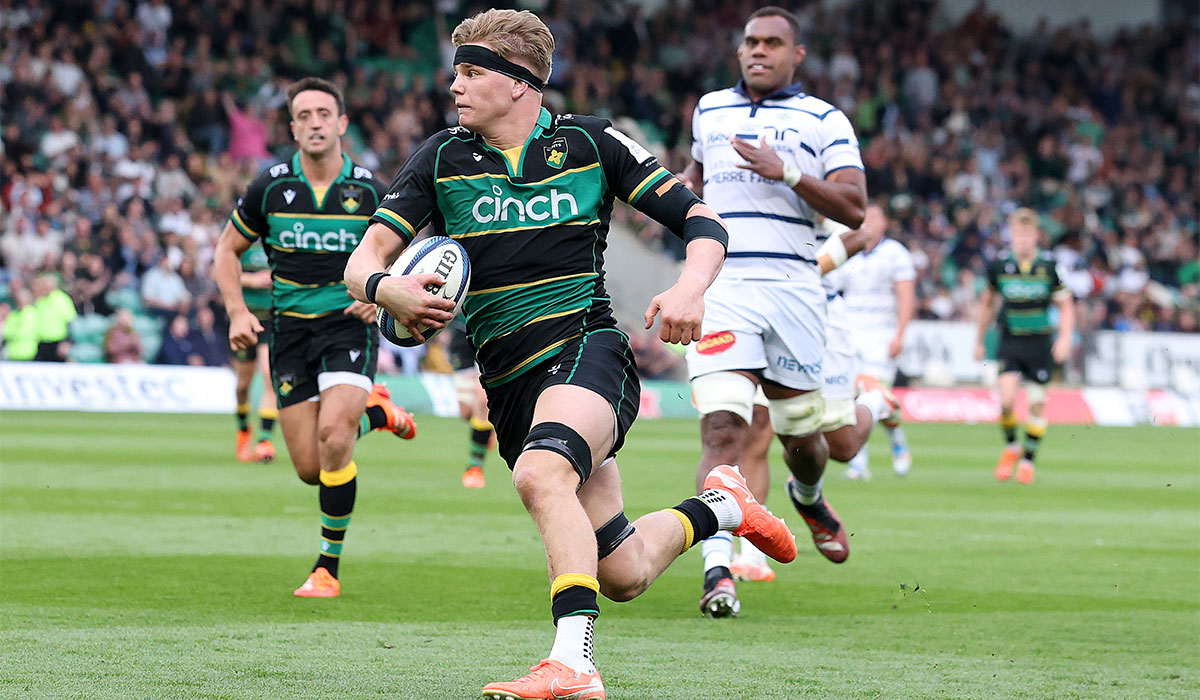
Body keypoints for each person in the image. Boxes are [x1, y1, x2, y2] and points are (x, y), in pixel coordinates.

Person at [345, 10, 795, 697]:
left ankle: (574, 664)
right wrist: (387, 289)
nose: (455, 86)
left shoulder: (589, 142)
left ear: (522, 84)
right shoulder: (442, 156)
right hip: (508, 380)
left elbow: (701, 219)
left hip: (587, 350)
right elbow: (363, 260)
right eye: (457, 72)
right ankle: (722, 507)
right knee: (626, 572)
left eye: (472, 73)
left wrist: (690, 288)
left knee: (540, 474)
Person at [680, 6, 866, 617]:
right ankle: (718, 569)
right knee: (725, 431)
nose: (758, 51)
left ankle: (807, 496)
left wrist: (787, 172)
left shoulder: (823, 119)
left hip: (794, 288)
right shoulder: (710, 109)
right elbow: (695, 181)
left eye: (772, 43)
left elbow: (855, 207)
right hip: (726, 284)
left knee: (802, 440)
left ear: (797, 55)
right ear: (739, 51)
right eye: (750, 42)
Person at [212, 77, 418, 599]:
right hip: (288, 333)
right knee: (310, 467)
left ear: (342, 123)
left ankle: (327, 567)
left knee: (333, 440)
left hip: (347, 326)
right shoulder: (270, 187)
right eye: (304, 115)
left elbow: (408, 249)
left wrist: (380, 291)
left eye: (324, 113)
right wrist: (237, 312)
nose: (315, 123)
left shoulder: (372, 190)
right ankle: (380, 414)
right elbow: (226, 251)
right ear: (292, 128)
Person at [975, 208, 1074, 484]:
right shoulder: (999, 266)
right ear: (1011, 235)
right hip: (1010, 339)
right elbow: (987, 303)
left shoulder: (1049, 267)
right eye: (1018, 233)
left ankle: (1028, 461)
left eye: (1027, 234)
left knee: (1037, 404)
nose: (1022, 239)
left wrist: (1065, 338)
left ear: (1036, 236)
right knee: (1006, 401)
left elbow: (1066, 305)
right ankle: (1011, 447)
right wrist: (979, 340)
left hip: (1040, 341)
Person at [836, 203, 916, 480]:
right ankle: (859, 460)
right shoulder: (845, 250)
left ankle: (897, 438)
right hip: (849, 331)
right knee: (852, 395)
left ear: (884, 223)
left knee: (877, 396)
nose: (868, 222)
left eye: (874, 217)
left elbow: (906, 295)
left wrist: (899, 335)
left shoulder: (895, 254)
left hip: (881, 333)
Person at [231, 240, 279, 463]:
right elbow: (222, 271)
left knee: (269, 376)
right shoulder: (241, 243)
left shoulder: (276, 241)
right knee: (243, 386)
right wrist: (252, 280)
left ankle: (264, 441)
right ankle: (243, 430)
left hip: (271, 320)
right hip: (245, 320)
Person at [446, 320, 494, 488]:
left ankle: (475, 467)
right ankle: (489, 428)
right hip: (461, 333)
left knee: (483, 400)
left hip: (488, 328)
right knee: (466, 411)